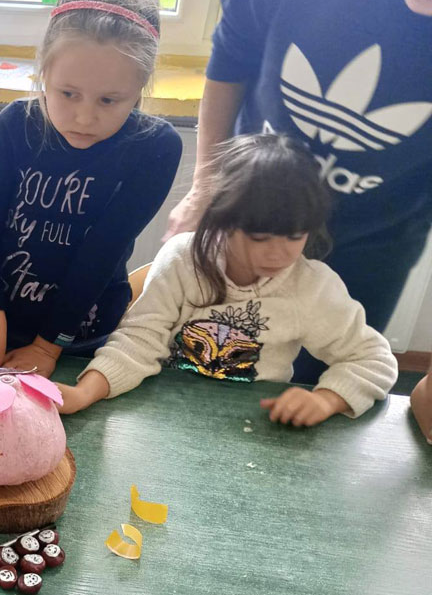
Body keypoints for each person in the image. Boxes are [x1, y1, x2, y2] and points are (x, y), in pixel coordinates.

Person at [165, 0, 432, 359]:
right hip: (249, 211)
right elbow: (231, 57)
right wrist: (204, 188)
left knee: (329, 376)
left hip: (376, 239)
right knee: (203, 361)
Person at [59, 134, 397, 427]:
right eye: (259, 238)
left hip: (253, 426)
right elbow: (138, 340)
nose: (278, 254)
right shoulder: (182, 260)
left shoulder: (311, 286)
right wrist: (83, 393)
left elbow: (372, 359)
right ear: (223, 219)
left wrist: (326, 399)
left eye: (295, 236)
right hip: (158, 415)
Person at [0, 0, 182, 381]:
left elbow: (101, 255)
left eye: (109, 100)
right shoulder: (16, 124)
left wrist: (47, 347)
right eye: (68, 93)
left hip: (79, 335)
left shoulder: (155, 147)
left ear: (140, 89)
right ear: (44, 73)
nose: (84, 117)